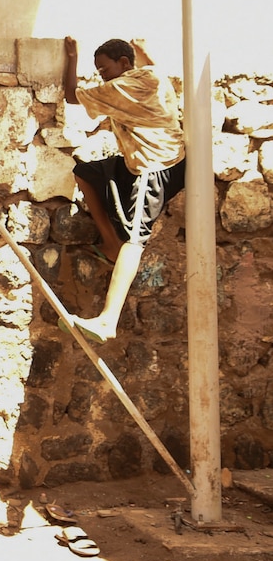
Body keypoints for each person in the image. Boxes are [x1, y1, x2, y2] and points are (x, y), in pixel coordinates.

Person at [62, 36, 186, 341]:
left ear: (125, 64)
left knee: (135, 238)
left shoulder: (123, 87)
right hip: (148, 162)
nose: (102, 76)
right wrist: (145, 50)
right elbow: (152, 64)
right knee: (86, 172)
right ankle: (109, 243)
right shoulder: (153, 75)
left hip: (153, 167)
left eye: (104, 70)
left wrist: (72, 58)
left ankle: (107, 321)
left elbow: (70, 95)